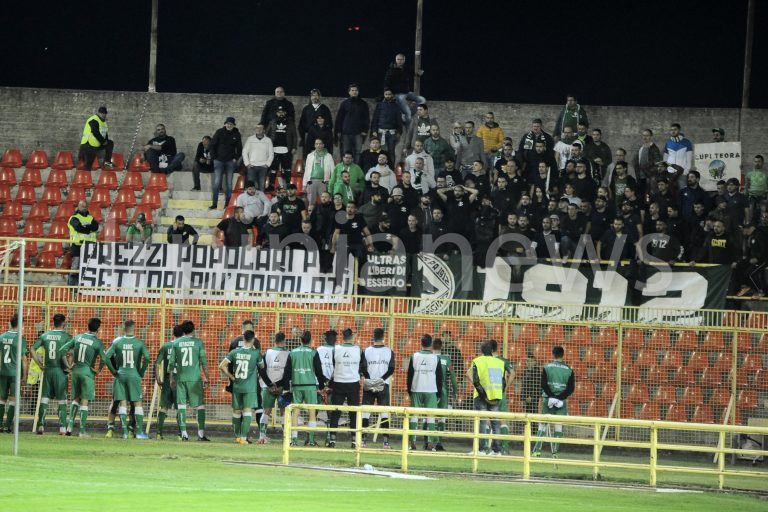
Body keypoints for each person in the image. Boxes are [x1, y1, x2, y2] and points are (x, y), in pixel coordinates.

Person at [63, 318, 115, 438]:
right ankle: (82, 431)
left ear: (88, 326)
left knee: (76, 399)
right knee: (85, 400)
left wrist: (68, 366)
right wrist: (98, 369)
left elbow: (63, 350)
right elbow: (104, 358)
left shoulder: (77, 337)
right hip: (87, 372)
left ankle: (69, 427)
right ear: (98, 329)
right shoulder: (97, 342)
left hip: (76, 371)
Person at [279, 330, 326, 447]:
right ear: (311, 340)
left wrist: (286, 387)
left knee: (295, 412)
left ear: (300, 340)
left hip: (296, 386)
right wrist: (321, 386)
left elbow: (287, 371)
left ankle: (294, 440)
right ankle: (311, 440)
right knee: (312, 412)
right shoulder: (313, 353)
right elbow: (319, 371)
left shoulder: (293, 353)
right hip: (310, 386)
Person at [104, 320, 150, 440]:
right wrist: (141, 372)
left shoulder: (117, 342)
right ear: (134, 328)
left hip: (120, 375)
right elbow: (147, 358)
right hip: (134, 374)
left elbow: (106, 357)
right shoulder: (139, 343)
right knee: (137, 403)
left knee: (121, 402)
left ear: (123, 328)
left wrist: (114, 371)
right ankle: (138, 432)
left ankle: (124, 432)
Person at [219, 330, 263, 445]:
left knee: (236, 411)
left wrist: (231, 377)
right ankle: (243, 438)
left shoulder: (234, 352)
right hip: (249, 387)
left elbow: (222, 366)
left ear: (243, 339)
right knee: (247, 410)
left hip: (237, 385)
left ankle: (237, 437)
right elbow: (262, 366)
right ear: (253, 339)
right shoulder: (256, 353)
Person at [168, 320, 210, 441]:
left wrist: (171, 378)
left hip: (181, 378)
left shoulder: (176, 343)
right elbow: (203, 361)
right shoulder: (198, 342)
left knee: (181, 405)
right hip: (195, 379)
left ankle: (184, 434)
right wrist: (207, 377)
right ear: (193, 330)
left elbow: (171, 363)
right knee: (200, 406)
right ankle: (201, 434)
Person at [325, 328, 366, 448]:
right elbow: (363, 366)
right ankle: (354, 441)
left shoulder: (336, 349)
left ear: (342, 337)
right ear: (352, 337)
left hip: (338, 383)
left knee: (335, 412)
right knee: (353, 413)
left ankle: (332, 440)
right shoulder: (358, 349)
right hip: (353, 383)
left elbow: (334, 364)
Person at [32, 313, 73, 435]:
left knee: (44, 398)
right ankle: (62, 428)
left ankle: (40, 426)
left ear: (53, 322)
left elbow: (32, 349)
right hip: (60, 371)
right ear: (63, 323)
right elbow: (72, 352)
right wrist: (69, 367)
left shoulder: (45, 335)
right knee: (62, 400)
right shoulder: (66, 336)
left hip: (48, 370)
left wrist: (39, 364)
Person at [532, 346, 575, 458]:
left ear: (553, 354)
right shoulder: (569, 370)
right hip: (561, 402)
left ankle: (537, 451)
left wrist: (551, 397)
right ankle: (554, 453)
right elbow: (571, 388)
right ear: (563, 355)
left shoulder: (547, 367)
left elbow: (543, 384)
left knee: (542, 425)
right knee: (558, 426)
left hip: (548, 400)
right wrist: (559, 398)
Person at [467, 340, 506, 456]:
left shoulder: (478, 361)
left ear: (481, 350)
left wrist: (484, 396)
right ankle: (497, 450)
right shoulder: (500, 362)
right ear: (493, 350)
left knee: (482, 423)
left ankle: (481, 449)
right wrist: (499, 394)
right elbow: (503, 382)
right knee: (495, 423)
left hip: (481, 397)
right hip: (496, 396)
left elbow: (476, 381)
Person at [358, 328, 395, 449]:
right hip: (383, 384)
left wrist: (370, 380)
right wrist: (381, 380)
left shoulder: (366, 351)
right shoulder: (389, 351)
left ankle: (363, 441)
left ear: (373, 337)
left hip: (369, 383)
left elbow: (362, 368)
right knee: (384, 412)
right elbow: (391, 369)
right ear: (383, 337)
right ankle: (386, 442)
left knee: (365, 413)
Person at [406, 334, 442, 451]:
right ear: (431, 344)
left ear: (421, 343)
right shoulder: (436, 358)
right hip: (431, 390)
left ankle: (412, 443)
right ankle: (430, 444)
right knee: (430, 417)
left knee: (414, 416)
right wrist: (439, 393)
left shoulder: (414, 356)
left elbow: (409, 375)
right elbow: (439, 378)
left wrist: (409, 390)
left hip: (416, 389)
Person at [257, 332, 289, 444]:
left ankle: (262, 437)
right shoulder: (288, 354)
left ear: (274, 341)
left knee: (266, 411)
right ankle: (286, 437)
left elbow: (261, 370)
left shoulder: (267, 353)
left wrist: (270, 384)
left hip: (268, 387)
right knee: (284, 412)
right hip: (282, 388)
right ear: (284, 341)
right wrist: (278, 385)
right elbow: (288, 374)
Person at [154, 324, 183, 440]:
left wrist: (158, 379)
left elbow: (157, 363)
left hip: (167, 380)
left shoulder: (166, 347)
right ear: (183, 334)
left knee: (163, 407)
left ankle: (158, 434)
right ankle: (181, 435)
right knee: (180, 408)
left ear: (173, 334)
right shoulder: (184, 347)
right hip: (179, 381)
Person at [0, 314, 27, 433]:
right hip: (14, 373)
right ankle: (7, 426)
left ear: (10, 323)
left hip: (3, 371)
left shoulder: (2, 337)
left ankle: (0, 425)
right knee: (13, 400)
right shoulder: (20, 339)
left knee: (1, 399)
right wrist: (24, 376)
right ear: (21, 324)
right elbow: (24, 359)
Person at [209, 117, 243, 210]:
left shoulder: (237, 134)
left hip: (230, 161)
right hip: (218, 161)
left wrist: (236, 158)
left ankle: (227, 204)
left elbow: (239, 148)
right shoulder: (219, 132)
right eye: (227, 124)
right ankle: (214, 204)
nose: (229, 125)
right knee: (217, 182)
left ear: (234, 125)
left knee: (229, 183)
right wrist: (214, 157)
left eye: (231, 124)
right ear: (225, 124)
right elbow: (212, 145)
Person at [383, 53, 425, 125]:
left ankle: (407, 114)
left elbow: (415, 72)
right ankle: (407, 121)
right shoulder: (391, 70)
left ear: (404, 60)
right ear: (396, 60)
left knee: (422, 100)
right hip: (397, 94)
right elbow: (386, 83)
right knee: (407, 113)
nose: (399, 61)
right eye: (398, 59)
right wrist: (387, 93)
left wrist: (419, 72)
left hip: (407, 92)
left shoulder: (406, 69)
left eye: (401, 59)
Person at [432, 338, 457, 451]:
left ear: (432, 346)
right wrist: (455, 391)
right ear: (441, 347)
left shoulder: (429, 357)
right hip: (443, 391)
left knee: (428, 416)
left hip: (430, 390)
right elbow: (453, 377)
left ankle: (428, 443)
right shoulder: (446, 359)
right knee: (442, 418)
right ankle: (439, 443)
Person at [335, 83, 370, 162]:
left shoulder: (363, 104)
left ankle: (356, 168)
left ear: (358, 92)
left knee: (357, 152)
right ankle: (346, 168)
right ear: (349, 92)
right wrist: (339, 131)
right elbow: (339, 118)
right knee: (346, 152)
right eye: (352, 90)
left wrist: (365, 130)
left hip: (358, 133)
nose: (354, 92)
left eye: (356, 90)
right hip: (346, 133)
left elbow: (366, 118)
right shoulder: (344, 103)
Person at [67, 200, 99, 285]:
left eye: (85, 206)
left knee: (87, 267)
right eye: (82, 206)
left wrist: (85, 226)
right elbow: (78, 228)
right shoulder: (74, 218)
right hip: (77, 245)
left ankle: (82, 287)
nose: (84, 208)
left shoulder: (90, 217)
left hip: (89, 246)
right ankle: (72, 287)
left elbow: (95, 227)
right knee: (75, 266)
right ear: (78, 207)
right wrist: (89, 229)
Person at [266, 106, 297, 190]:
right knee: (273, 169)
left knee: (286, 169)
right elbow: (267, 134)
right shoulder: (272, 122)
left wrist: (294, 147)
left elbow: (294, 136)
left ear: (285, 113)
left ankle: (287, 186)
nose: (281, 113)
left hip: (287, 150)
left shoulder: (290, 122)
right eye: (279, 112)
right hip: (274, 150)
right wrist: (267, 147)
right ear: (277, 113)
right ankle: (271, 186)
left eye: (282, 112)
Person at [298, 89, 333, 157]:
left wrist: (325, 131)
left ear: (319, 96)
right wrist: (302, 137)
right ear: (310, 97)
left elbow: (329, 123)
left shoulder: (324, 108)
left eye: (316, 95)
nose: (315, 97)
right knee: (309, 156)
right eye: (313, 95)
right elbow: (301, 124)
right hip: (309, 136)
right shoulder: (306, 109)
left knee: (323, 156)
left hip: (322, 136)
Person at [370, 88, 403, 159]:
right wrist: (374, 130)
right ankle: (379, 165)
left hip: (392, 133)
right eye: (386, 94)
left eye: (389, 94)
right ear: (384, 95)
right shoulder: (379, 105)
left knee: (391, 151)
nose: (388, 96)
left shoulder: (396, 106)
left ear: (392, 95)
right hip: (381, 132)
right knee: (379, 151)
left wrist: (399, 131)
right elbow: (375, 118)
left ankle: (391, 166)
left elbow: (399, 120)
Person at [78, 106, 114, 170]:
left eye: (105, 113)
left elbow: (105, 133)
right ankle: (86, 175)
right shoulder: (93, 120)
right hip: (88, 144)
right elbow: (95, 132)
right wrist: (103, 141)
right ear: (99, 113)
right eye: (103, 113)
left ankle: (107, 162)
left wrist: (106, 141)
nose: (104, 115)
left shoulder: (104, 122)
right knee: (88, 165)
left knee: (110, 143)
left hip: (97, 144)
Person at [303, 139, 336, 206]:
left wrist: (333, 183)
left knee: (325, 202)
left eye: (320, 144)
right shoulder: (310, 156)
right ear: (314, 145)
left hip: (324, 182)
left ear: (323, 145)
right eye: (317, 144)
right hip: (311, 181)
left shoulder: (328, 156)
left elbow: (333, 170)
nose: (318, 145)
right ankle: (311, 213)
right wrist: (304, 185)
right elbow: (306, 170)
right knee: (311, 203)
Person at [242, 124, 274, 191]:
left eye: (260, 128)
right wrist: (247, 164)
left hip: (263, 167)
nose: (258, 129)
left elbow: (271, 154)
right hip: (252, 166)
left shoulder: (268, 140)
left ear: (264, 130)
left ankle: (261, 198)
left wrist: (267, 164)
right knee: (251, 187)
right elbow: (244, 152)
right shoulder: (250, 139)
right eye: (257, 128)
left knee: (262, 187)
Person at [663, 123, 694, 190]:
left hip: (682, 173)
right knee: (671, 192)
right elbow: (665, 159)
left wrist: (685, 172)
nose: (673, 131)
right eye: (671, 130)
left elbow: (689, 160)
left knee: (682, 191)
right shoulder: (668, 143)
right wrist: (666, 171)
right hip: (670, 173)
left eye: (675, 129)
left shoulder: (687, 142)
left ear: (679, 130)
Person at [745, 155, 767, 223]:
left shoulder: (766, 173)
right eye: (755, 161)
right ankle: (750, 227)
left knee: (763, 216)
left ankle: (763, 228)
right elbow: (747, 186)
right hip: (751, 197)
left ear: (762, 162)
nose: (757, 163)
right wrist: (745, 197)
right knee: (750, 215)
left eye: (759, 161)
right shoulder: (749, 174)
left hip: (763, 197)